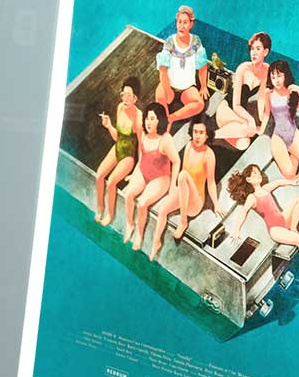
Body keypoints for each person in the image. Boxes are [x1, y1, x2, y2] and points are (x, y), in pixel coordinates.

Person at [149, 117, 223, 260]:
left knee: (183, 175)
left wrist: (216, 204)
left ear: (207, 135)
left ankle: (183, 222)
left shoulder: (209, 155)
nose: (197, 136)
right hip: (183, 193)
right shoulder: (189, 145)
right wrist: (174, 192)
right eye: (195, 132)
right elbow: (183, 178)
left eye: (201, 133)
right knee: (163, 210)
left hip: (195, 202)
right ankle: (156, 244)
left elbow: (211, 182)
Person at [226, 164, 299, 278]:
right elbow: (243, 212)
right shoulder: (252, 197)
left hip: (283, 219)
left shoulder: (265, 188)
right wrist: (237, 229)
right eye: (254, 173)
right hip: (275, 229)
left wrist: (290, 182)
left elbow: (278, 182)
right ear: (248, 179)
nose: (258, 174)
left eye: (258, 172)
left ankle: (293, 228)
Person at [121, 102, 180, 251]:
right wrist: (134, 174)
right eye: (147, 118)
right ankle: (130, 224)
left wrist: (173, 186)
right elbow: (141, 157)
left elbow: (176, 161)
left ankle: (139, 235)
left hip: (161, 178)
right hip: (143, 172)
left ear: (160, 120)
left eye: (152, 119)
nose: (148, 122)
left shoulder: (165, 139)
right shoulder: (143, 135)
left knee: (142, 204)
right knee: (128, 195)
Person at [258, 58, 299, 181]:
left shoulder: (292, 91)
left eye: (279, 76)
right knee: (290, 175)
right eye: (273, 77)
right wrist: (261, 130)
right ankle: (297, 153)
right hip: (278, 137)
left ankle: (297, 151)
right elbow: (267, 114)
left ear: (286, 75)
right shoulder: (269, 93)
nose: (276, 80)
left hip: (293, 134)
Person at [93, 76, 141, 226]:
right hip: (117, 147)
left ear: (135, 98)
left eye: (129, 95)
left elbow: (141, 147)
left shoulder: (139, 117)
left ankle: (110, 214)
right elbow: (117, 137)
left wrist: (137, 170)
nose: (125, 99)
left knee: (112, 182)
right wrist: (108, 126)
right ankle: (100, 207)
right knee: (99, 175)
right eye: (123, 94)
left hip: (129, 156)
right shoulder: (120, 107)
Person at [212, 31, 270, 150]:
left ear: (265, 52)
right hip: (227, 110)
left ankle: (222, 133)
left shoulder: (267, 70)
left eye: (258, 49)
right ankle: (211, 135)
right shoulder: (243, 68)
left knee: (244, 143)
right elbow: (236, 105)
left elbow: (261, 99)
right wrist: (251, 120)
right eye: (252, 49)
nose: (253, 52)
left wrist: (262, 123)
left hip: (240, 118)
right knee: (247, 127)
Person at [154, 5, 208, 130]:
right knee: (160, 96)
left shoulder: (196, 41)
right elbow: (162, 70)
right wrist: (167, 90)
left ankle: (170, 118)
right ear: (176, 23)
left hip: (187, 89)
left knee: (199, 104)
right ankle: (164, 124)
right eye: (179, 22)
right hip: (169, 86)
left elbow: (202, 65)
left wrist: (203, 86)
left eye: (185, 22)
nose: (181, 26)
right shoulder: (170, 42)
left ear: (191, 24)